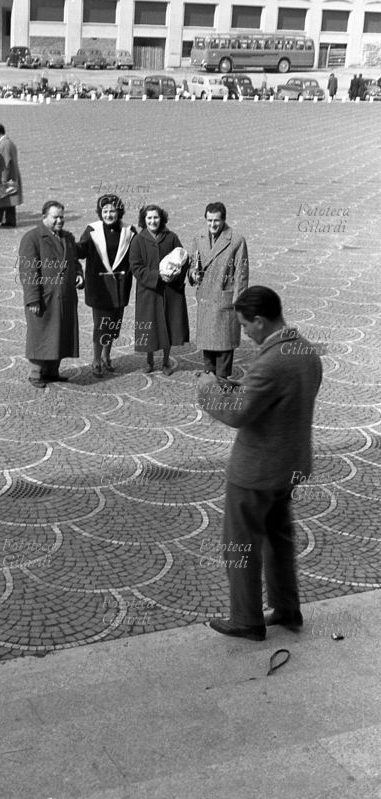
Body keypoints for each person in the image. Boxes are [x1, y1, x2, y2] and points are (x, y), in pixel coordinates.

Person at [196, 286, 322, 641]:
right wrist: (240, 384)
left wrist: (208, 388)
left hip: (256, 471)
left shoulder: (271, 361)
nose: (245, 334)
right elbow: (279, 398)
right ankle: (286, 608)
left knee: (239, 544)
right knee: (278, 538)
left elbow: (239, 414)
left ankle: (246, 619)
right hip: (291, 465)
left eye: (246, 326)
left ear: (261, 320)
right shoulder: (305, 352)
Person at [18, 201, 84, 386]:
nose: (59, 221)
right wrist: (32, 299)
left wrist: (79, 274)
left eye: (62, 217)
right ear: (44, 217)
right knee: (41, 335)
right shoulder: (32, 238)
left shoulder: (68, 238)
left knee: (60, 335)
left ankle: (52, 371)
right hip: (44, 298)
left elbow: (74, 261)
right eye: (55, 217)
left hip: (65, 297)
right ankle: (36, 374)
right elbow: (28, 272)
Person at [77, 194, 135, 377]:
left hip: (119, 286)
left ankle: (106, 356)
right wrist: (67, 245)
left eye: (112, 211)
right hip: (99, 286)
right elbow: (81, 250)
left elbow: (138, 255)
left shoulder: (129, 231)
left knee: (114, 324)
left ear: (119, 212)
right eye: (105, 211)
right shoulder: (92, 230)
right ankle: (96, 359)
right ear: (100, 212)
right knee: (101, 325)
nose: (109, 214)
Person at [189, 202, 248, 378]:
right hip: (206, 296)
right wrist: (193, 275)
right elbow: (193, 264)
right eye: (209, 220)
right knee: (207, 340)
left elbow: (241, 274)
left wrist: (239, 302)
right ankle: (208, 373)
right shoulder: (198, 237)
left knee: (223, 343)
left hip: (224, 297)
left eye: (216, 221)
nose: (212, 225)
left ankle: (222, 380)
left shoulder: (236, 240)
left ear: (224, 220)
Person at [129, 204, 189, 375]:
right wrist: (157, 276)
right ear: (144, 220)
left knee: (168, 324)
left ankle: (165, 361)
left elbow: (183, 258)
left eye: (156, 217)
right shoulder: (138, 240)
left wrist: (174, 275)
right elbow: (136, 267)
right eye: (149, 218)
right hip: (149, 291)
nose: (153, 221)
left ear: (161, 218)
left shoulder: (171, 237)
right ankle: (149, 360)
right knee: (149, 325)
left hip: (170, 290)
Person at [0, 123, 22, 228]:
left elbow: (6, 163)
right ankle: (9, 221)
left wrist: (3, 179)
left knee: (0, 198)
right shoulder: (9, 142)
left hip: (4, 176)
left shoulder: (4, 144)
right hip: (12, 175)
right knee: (9, 200)